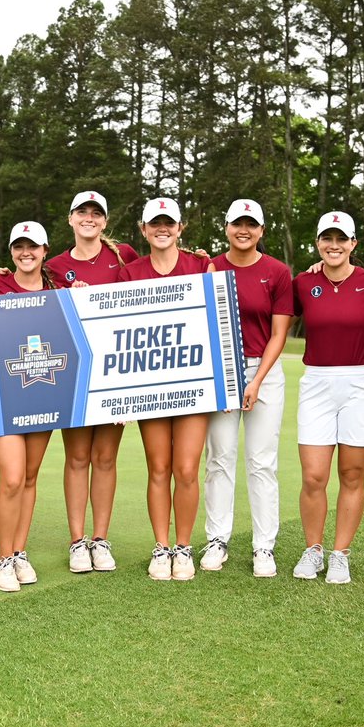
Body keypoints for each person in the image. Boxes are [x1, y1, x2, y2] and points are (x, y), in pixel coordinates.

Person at [290, 212, 364, 585]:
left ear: (353, 245)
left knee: (351, 473)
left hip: (361, 383)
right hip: (317, 382)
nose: (334, 245)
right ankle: (313, 550)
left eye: (341, 239)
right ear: (317, 243)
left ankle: (340, 554)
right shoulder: (303, 282)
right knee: (314, 476)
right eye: (326, 239)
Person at [46, 191, 139, 574]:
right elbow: (29, 298)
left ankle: (100, 539)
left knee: (105, 457)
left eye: (96, 213)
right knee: (78, 457)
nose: (89, 218)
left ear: (104, 221)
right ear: (70, 219)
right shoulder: (53, 265)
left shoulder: (124, 257)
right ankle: (76, 541)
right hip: (73, 370)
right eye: (82, 212)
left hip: (114, 370)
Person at [119, 198, 209, 582]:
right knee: (158, 467)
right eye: (154, 223)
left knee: (186, 469)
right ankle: (161, 546)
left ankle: (183, 547)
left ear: (180, 228)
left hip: (194, 384)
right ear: (143, 229)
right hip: (148, 385)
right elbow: (119, 331)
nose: (162, 229)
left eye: (168, 223)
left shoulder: (202, 265)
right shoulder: (130, 272)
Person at [203, 199, 292, 578]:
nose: (244, 230)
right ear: (226, 227)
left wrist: (255, 380)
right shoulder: (210, 268)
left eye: (251, 224)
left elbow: (279, 333)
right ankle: (217, 538)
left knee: (261, 461)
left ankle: (263, 547)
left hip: (264, 371)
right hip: (221, 371)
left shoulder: (277, 271)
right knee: (220, 457)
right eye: (237, 223)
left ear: (261, 231)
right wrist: (225, 378)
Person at [0, 221, 57, 593]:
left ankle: (19, 552)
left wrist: (84, 293)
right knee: (10, 477)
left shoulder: (59, 290)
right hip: (3, 397)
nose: (27, 253)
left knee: (29, 477)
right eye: (20, 246)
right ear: (11, 252)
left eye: (33, 246)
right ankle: (4, 558)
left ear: (45, 250)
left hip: (43, 393)